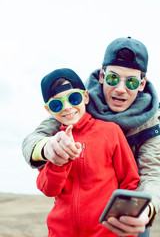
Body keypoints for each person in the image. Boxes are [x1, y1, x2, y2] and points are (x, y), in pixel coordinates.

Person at [22, 37, 160, 237]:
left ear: (141, 84)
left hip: (130, 207)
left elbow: (151, 175)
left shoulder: (151, 120)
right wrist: (49, 148)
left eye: (131, 82)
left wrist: (145, 210)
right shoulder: (74, 104)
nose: (120, 89)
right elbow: (35, 138)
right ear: (102, 76)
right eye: (113, 79)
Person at [36, 67, 140, 237]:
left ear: (85, 97)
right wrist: (60, 160)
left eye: (74, 98)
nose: (67, 107)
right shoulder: (52, 141)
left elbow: (130, 181)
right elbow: (48, 189)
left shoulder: (109, 131)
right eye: (57, 104)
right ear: (49, 110)